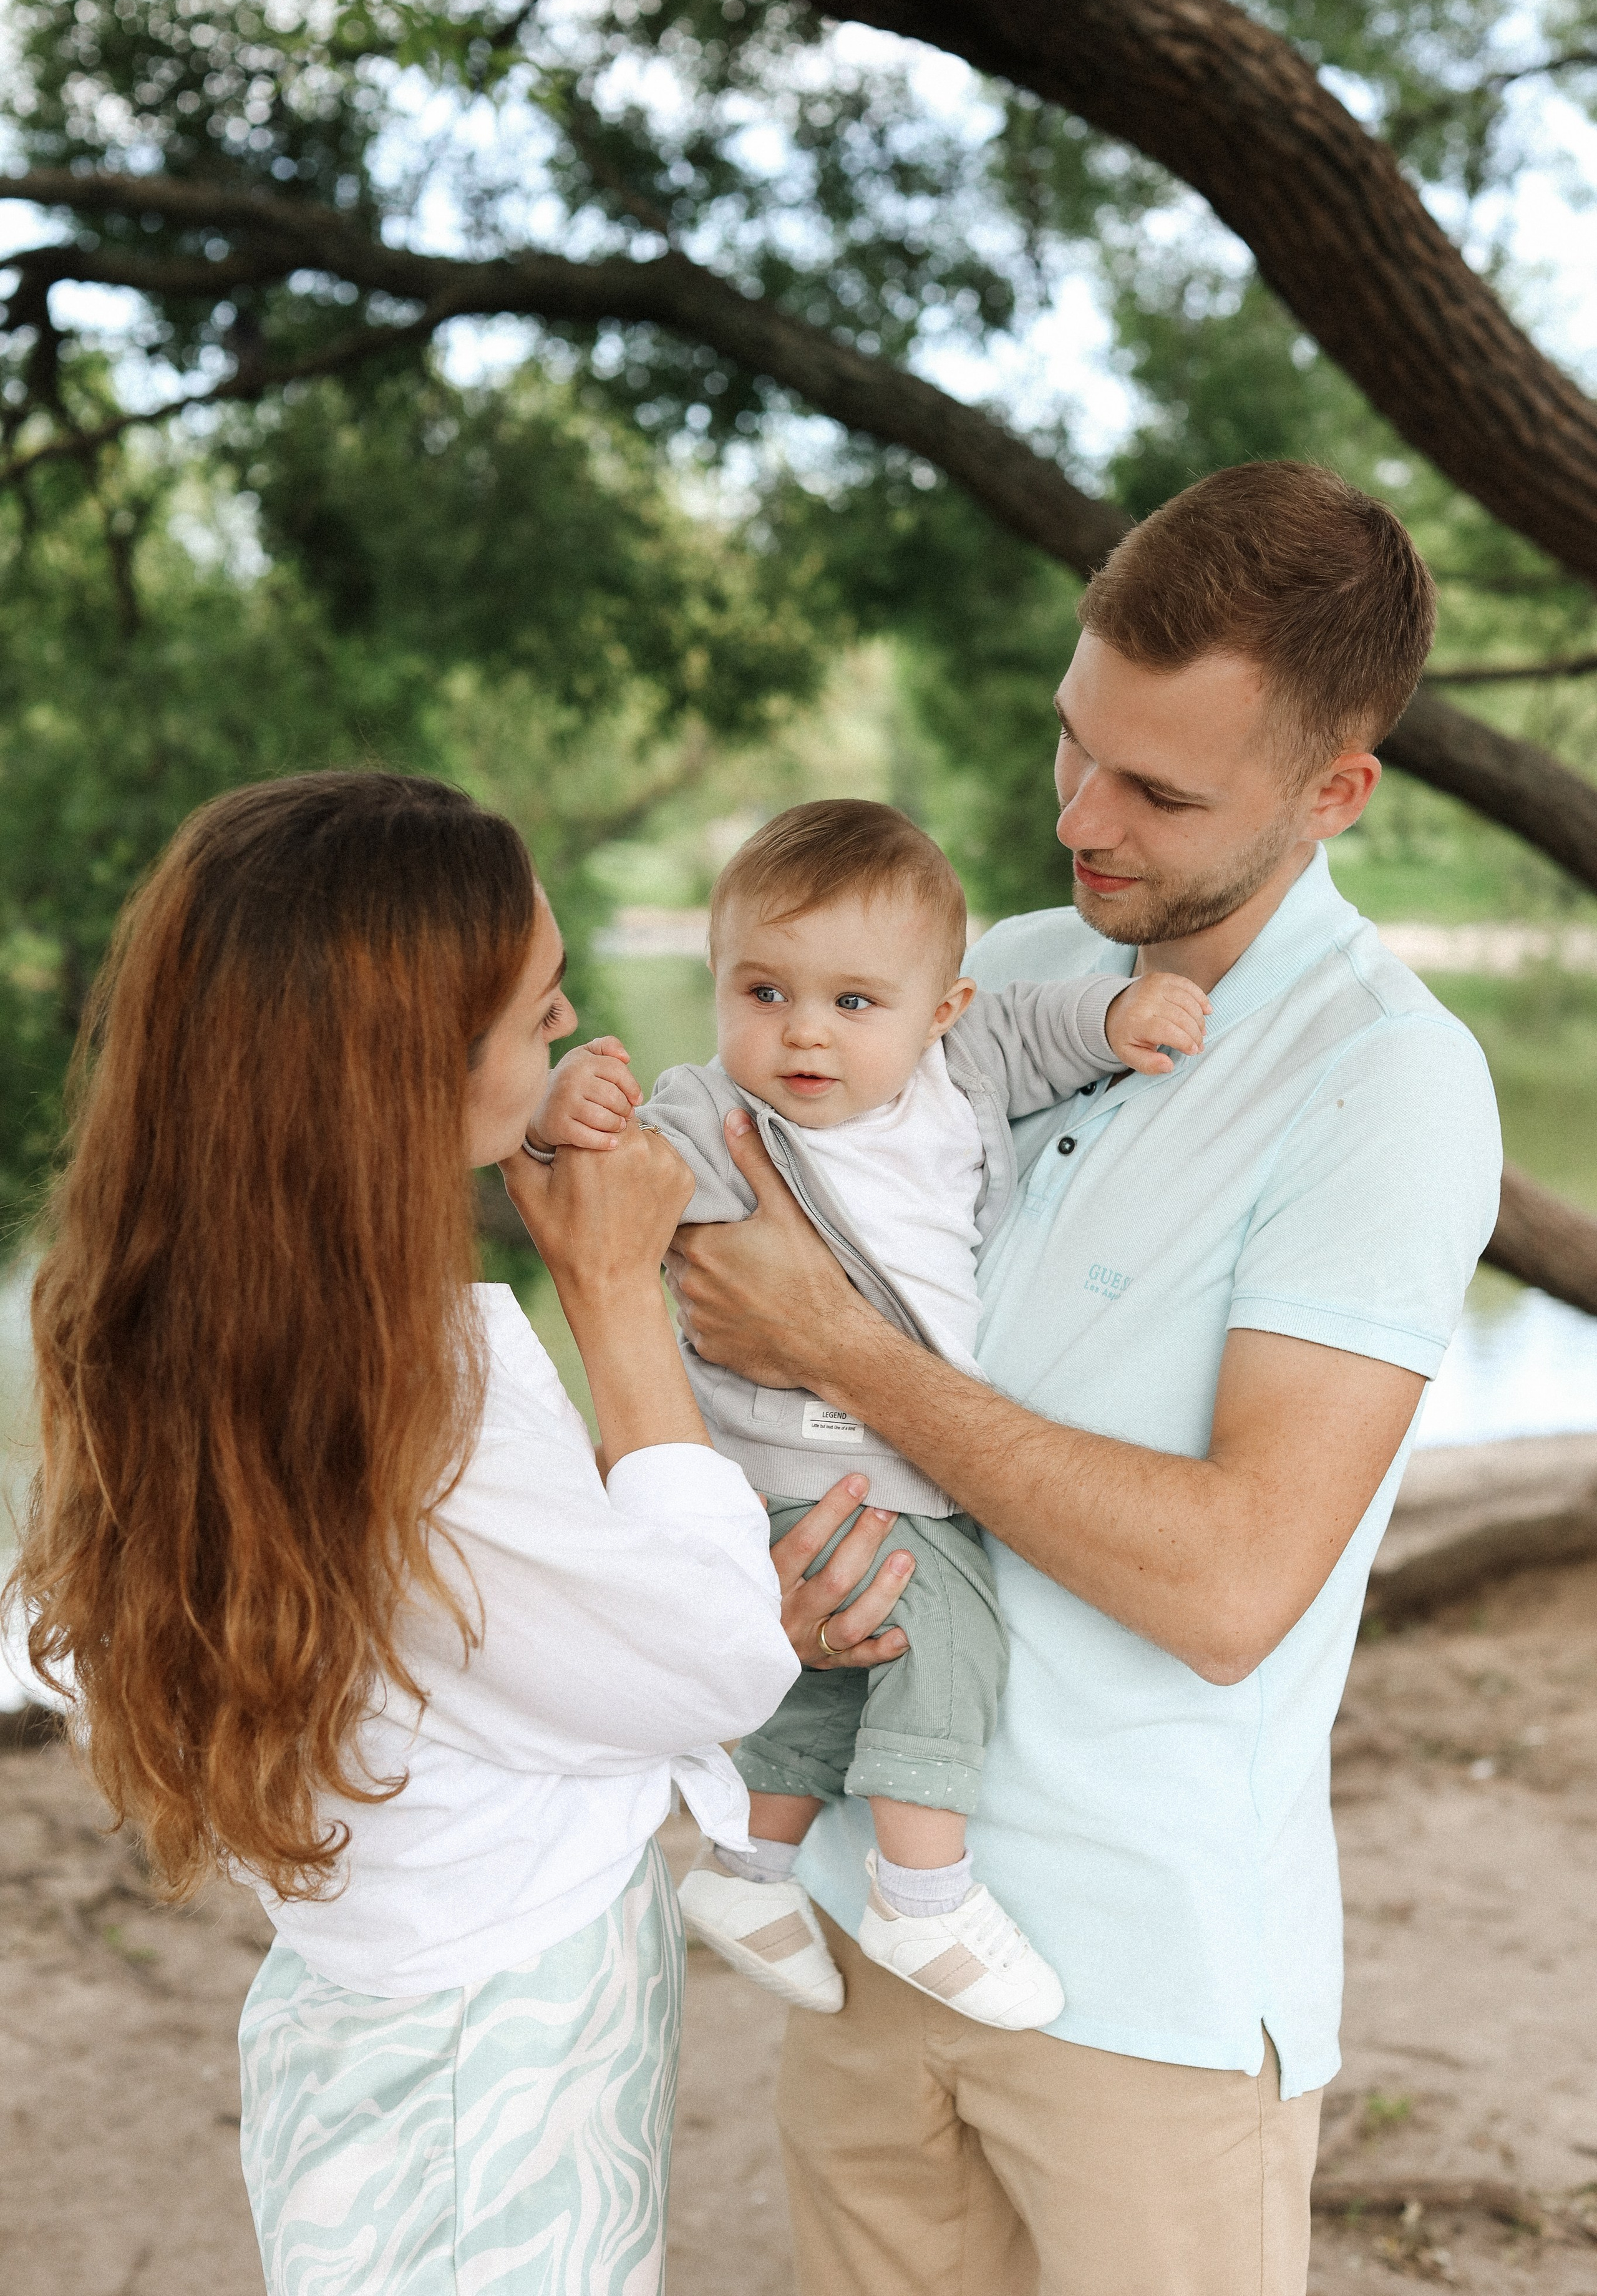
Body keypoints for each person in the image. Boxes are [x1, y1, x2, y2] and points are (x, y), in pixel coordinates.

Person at [664, 464, 1503, 2296]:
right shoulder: (1007, 978)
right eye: (1074, 747)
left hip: (1141, 1983)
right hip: (870, 1922)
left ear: (1334, 790)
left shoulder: (1390, 1084)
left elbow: (1230, 1586)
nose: (1079, 818)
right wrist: (785, 1562)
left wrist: (840, 1354)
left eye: (1157, 791)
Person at [9, 769, 911, 2296]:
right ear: (408, 1071)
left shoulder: (165, 1330)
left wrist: (668, 1622)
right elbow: (706, 1673)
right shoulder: (406, 1397)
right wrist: (616, 1294)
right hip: (498, 2047)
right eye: (539, 1011)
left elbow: (453, 1663)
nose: (568, 1034)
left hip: (359, 2008)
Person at [535, 798, 1208, 2033]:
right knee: (945, 1640)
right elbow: (618, 1174)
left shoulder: (962, 1069)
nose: (803, 1035)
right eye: (762, 993)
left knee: (841, 1668)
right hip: (807, 1450)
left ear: (934, 1012)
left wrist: (1118, 1019)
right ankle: (924, 1888)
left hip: (882, 1440)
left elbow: (1039, 1026)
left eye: (853, 1004)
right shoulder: (716, 1115)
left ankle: (745, 1870)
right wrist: (564, 1113)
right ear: (718, 988)